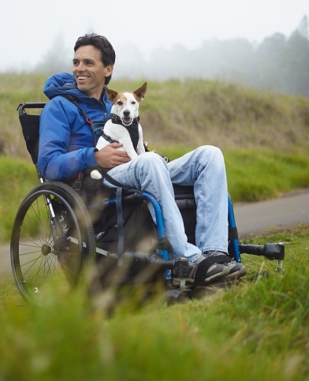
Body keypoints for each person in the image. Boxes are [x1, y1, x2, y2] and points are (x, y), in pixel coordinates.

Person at [38, 33, 246, 285]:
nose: (79, 69)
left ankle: (215, 254)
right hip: (96, 182)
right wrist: (94, 156)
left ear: (108, 69)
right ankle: (190, 260)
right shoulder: (59, 107)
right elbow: (48, 164)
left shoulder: (118, 103)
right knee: (149, 163)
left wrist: (146, 152)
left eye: (88, 63)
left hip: (135, 169)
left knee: (209, 156)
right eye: (76, 62)